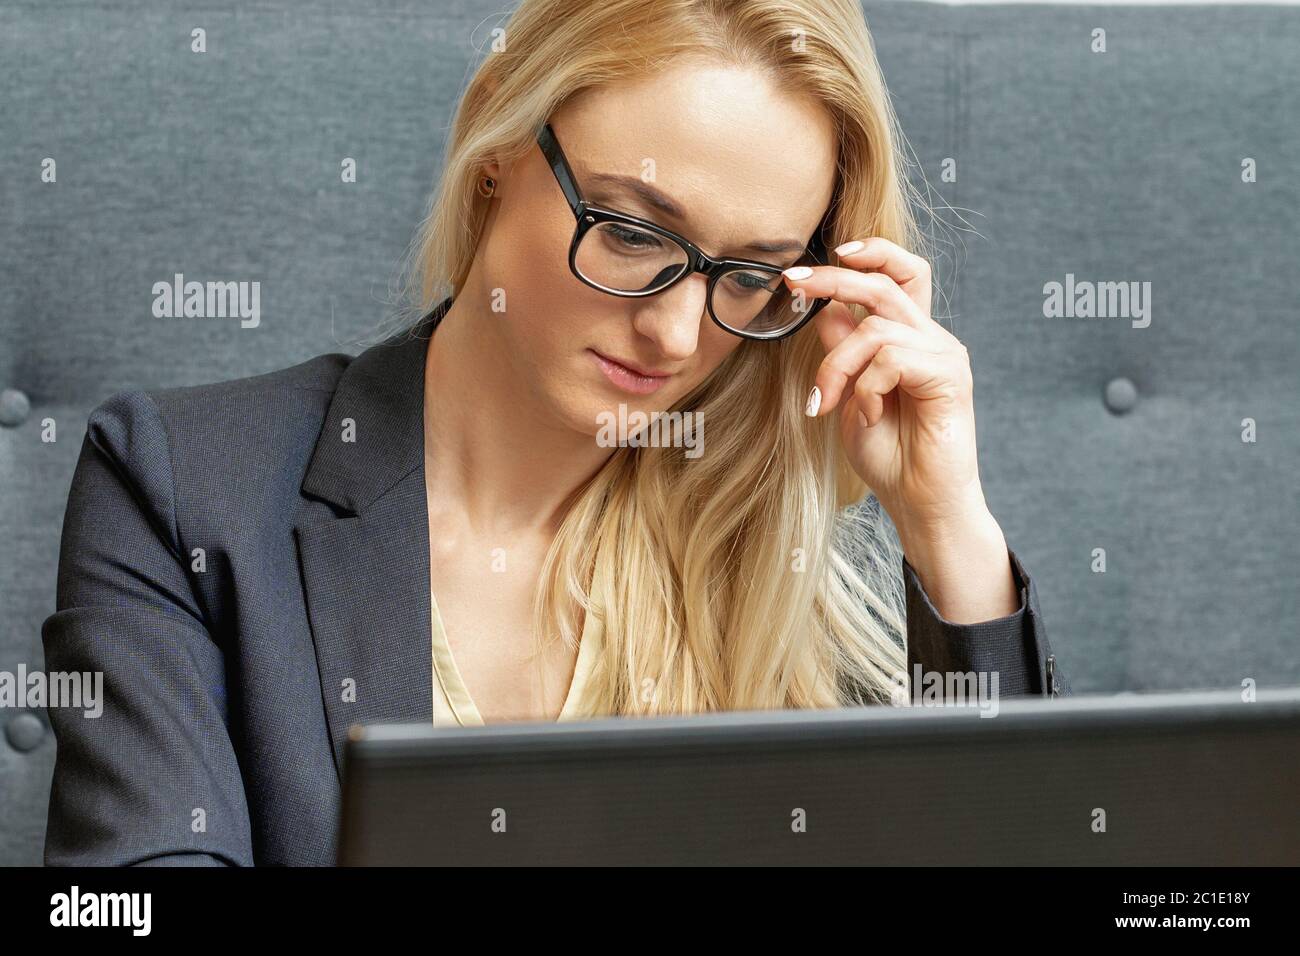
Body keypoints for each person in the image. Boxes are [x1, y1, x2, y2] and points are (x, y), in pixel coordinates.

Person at [42, 0, 1067, 866]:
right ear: (497, 146)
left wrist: (947, 534)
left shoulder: (770, 563)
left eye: (749, 275)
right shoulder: (184, 486)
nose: (675, 332)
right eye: (629, 231)